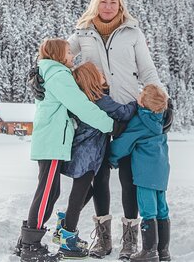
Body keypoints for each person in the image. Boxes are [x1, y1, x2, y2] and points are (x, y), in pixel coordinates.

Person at [28, 0, 172, 259]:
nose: (108, 7)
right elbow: (56, 57)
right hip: (96, 115)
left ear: (120, 5)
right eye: (103, 1)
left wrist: (163, 100)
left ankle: (130, 240)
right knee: (100, 176)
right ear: (96, 3)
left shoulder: (132, 33)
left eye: (113, 2)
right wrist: (36, 74)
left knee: (130, 177)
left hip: (129, 112)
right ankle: (103, 239)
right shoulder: (82, 32)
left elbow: (147, 70)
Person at [17, 38, 115, 262]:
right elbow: (80, 105)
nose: (72, 55)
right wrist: (110, 125)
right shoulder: (59, 75)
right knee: (46, 194)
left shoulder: (50, 72)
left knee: (50, 192)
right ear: (58, 55)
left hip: (51, 142)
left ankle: (26, 241)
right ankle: (31, 245)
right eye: (68, 52)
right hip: (52, 143)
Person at [53, 62, 138, 258]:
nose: (103, 74)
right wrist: (138, 101)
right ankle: (67, 237)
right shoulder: (100, 99)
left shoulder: (81, 99)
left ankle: (65, 225)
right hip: (90, 156)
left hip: (80, 152)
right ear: (92, 79)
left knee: (88, 190)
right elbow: (123, 112)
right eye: (98, 73)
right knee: (80, 193)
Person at [108, 84, 171, 262]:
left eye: (142, 94)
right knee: (162, 209)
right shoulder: (161, 119)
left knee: (147, 210)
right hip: (161, 172)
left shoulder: (141, 121)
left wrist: (110, 157)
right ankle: (163, 251)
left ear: (143, 102)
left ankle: (149, 251)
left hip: (144, 174)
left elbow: (124, 143)